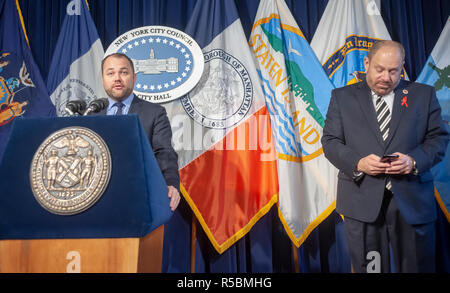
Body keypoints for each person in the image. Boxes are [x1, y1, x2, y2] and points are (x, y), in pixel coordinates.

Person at [322, 40, 449, 273]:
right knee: (371, 269)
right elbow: (330, 142)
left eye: (393, 71)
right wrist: (358, 163)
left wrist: (412, 162)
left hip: (413, 201)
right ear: (367, 64)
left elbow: (438, 140)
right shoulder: (342, 97)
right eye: (379, 69)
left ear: (402, 68)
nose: (386, 77)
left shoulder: (423, 95)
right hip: (361, 202)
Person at [100, 52, 180, 211]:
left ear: (134, 77)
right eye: (111, 73)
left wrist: (170, 184)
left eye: (123, 72)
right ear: (103, 79)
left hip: (138, 198)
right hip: (98, 198)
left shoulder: (154, 113)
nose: (117, 78)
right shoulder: (91, 113)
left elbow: (164, 152)